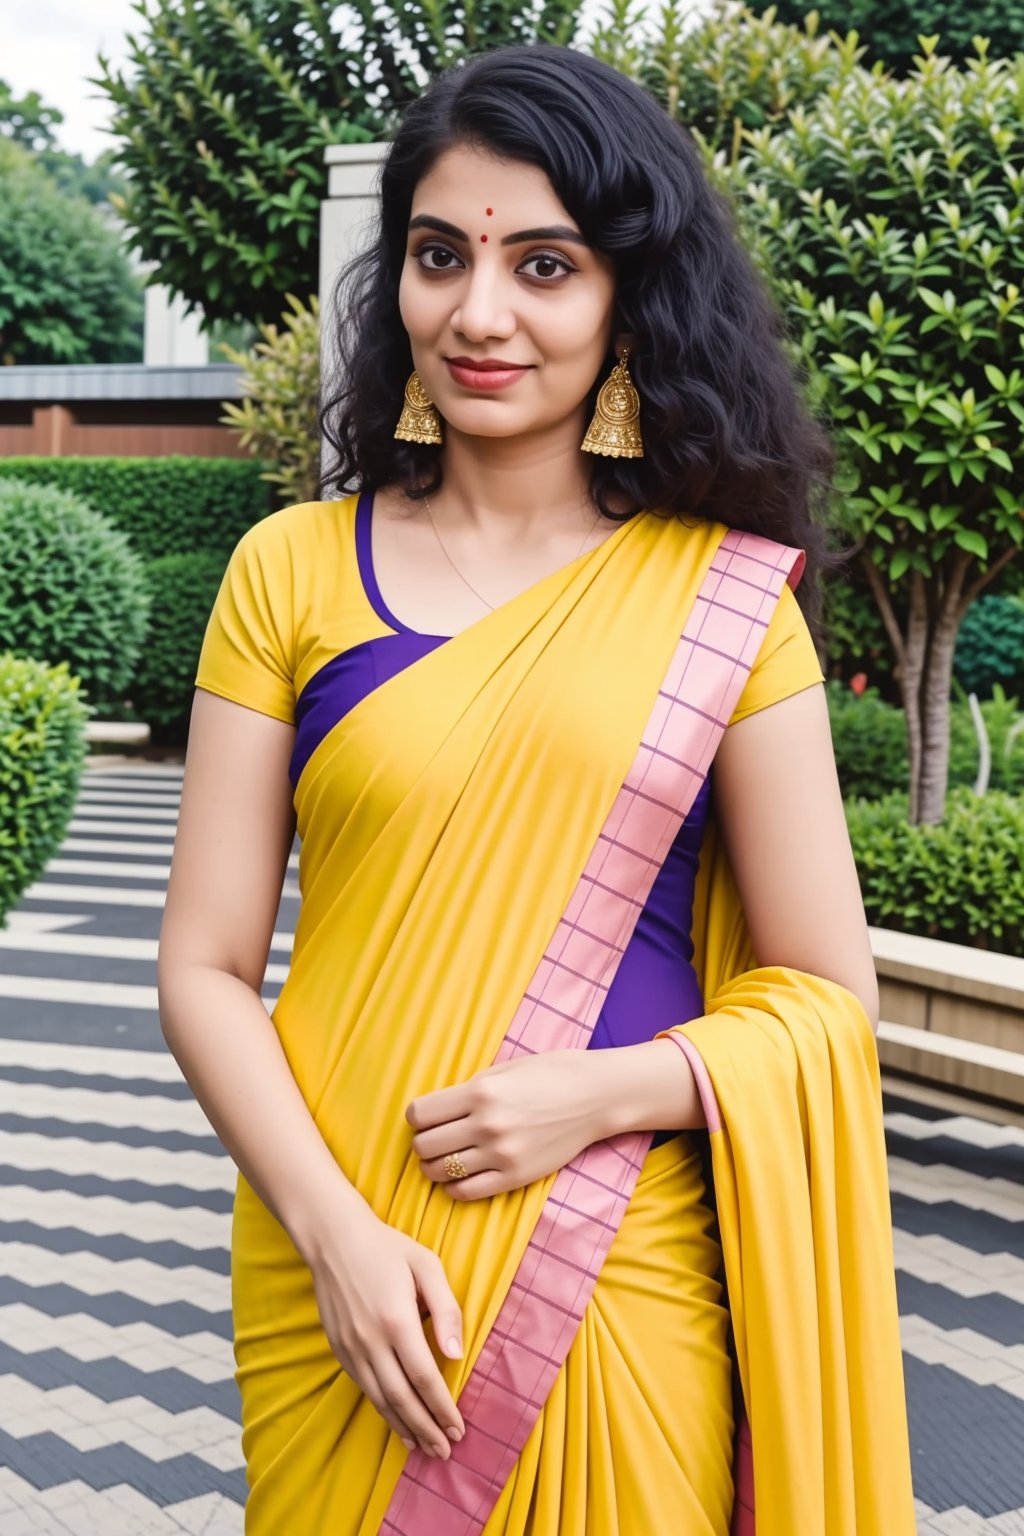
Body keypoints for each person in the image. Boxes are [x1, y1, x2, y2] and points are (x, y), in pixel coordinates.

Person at [157, 44, 915, 1536]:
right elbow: (202, 965)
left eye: (546, 266)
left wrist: (597, 1094)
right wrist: (339, 1241)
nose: (479, 313)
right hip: (342, 1279)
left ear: (630, 296)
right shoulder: (290, 571)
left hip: (610, 1268)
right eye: (440, 257)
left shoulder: (726, 600)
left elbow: (829, 996)